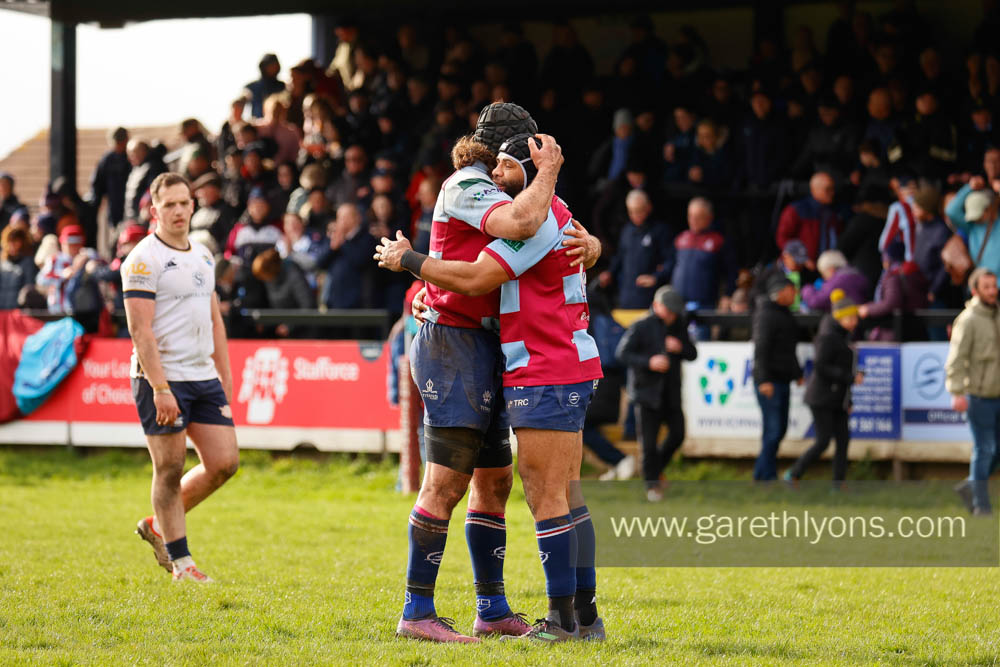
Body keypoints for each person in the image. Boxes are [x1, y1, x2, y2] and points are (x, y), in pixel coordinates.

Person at [377, 128, 604, 643]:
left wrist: (592, 245)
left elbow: (542, 234)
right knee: (451, 483)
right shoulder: (465, 186)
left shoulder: (540, 204)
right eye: (496, 164)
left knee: (502, 484)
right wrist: (423, 282)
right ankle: (418, 612)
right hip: (460, 348)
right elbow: (487, 266)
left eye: (509, 165)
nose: (499, 176)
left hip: (518, 358)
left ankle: (501, 609)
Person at [121, 173, 238, 582]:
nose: (178, 211)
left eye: (184, 202)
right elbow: (140, 331)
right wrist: (160, 388)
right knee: (169, 467)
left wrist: (224, 376)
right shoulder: (141, 259)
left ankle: (157, 525)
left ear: (193, 205)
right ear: (154, 210)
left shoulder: (204, 256)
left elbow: (215, 322)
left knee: (225, 463)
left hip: (202, 376)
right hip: (162, 377)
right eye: (168, 204)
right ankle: (182, 564)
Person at [615, 286, 697, 501]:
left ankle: (654, 470)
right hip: (646, 393)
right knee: (648, 444)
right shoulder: (641, 325)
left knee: (678, 433)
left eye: (674, 313)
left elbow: (692, 353)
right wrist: (649, 362)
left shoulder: (679, 325)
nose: (671, 316)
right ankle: (652, 485)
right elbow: (622, 353)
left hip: (671, 392)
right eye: (668, 311)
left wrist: (680, 347)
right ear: (657, 306)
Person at [784, 289, 864, 485]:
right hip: (822, 398)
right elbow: (821, 366)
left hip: (838, 399)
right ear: (840, 317)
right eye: (850, 317)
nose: (854, 321)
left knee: (843, 441)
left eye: (855, 317)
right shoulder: (828, 336)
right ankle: (793, 474)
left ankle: (839, 483)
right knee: (823, 441)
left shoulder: (843, 335)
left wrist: (849, 398)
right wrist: (850, 378)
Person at [946, 268, 1000, 516]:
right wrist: (956, 391)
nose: (993, 290)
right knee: (984, 449)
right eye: (987, 286)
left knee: (995, 452)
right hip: (978, 397)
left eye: (994, 285)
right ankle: (981, 506)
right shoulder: (967, 320)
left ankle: (970, 488)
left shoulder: (998, 315)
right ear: (975, 290)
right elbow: (956, 359)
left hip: (998, 395)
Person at [752, 273, 804, 481]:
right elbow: (761, 348)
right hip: (770, 381)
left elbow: (788, 350)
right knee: (773, 430)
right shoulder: (766, 315)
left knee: (778, 429)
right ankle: (764, 476)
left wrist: (797, 373)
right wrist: (764, 379)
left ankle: (764, 474)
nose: (795, 295)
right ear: (781, 292)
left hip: (782, 379)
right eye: (792, 290)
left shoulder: (784, 315)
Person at [599, 189, 674, 309]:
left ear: (648, 207)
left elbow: (670, 261)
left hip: (650, 297)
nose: (636, 216)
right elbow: (620, 256)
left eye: (639, 211)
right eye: (632, 212)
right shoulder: (626, 231)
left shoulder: (660, 231)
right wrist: (610, 272)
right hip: (626, 295)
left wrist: (656, 277)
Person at [776, 172, 842, 264]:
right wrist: (802, 259)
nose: (832, 193)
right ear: (814, 189)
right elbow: (782, 238)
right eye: (827, 189)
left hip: (827, 266)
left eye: (833, 189)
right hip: (800, 266)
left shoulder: (833, 212)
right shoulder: (796, 210)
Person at [944, 177, 1000, 278]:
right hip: (982, 282)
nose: (976, 220)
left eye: (978, 215)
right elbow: (951, 211)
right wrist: (969, 187)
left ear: (988, 209)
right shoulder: (971, 226)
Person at [86, 127, 132, 230]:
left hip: (130, 205)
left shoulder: (131, 157)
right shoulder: (107, 159)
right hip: (115, 204)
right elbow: (97, 183)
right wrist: (95, 203)